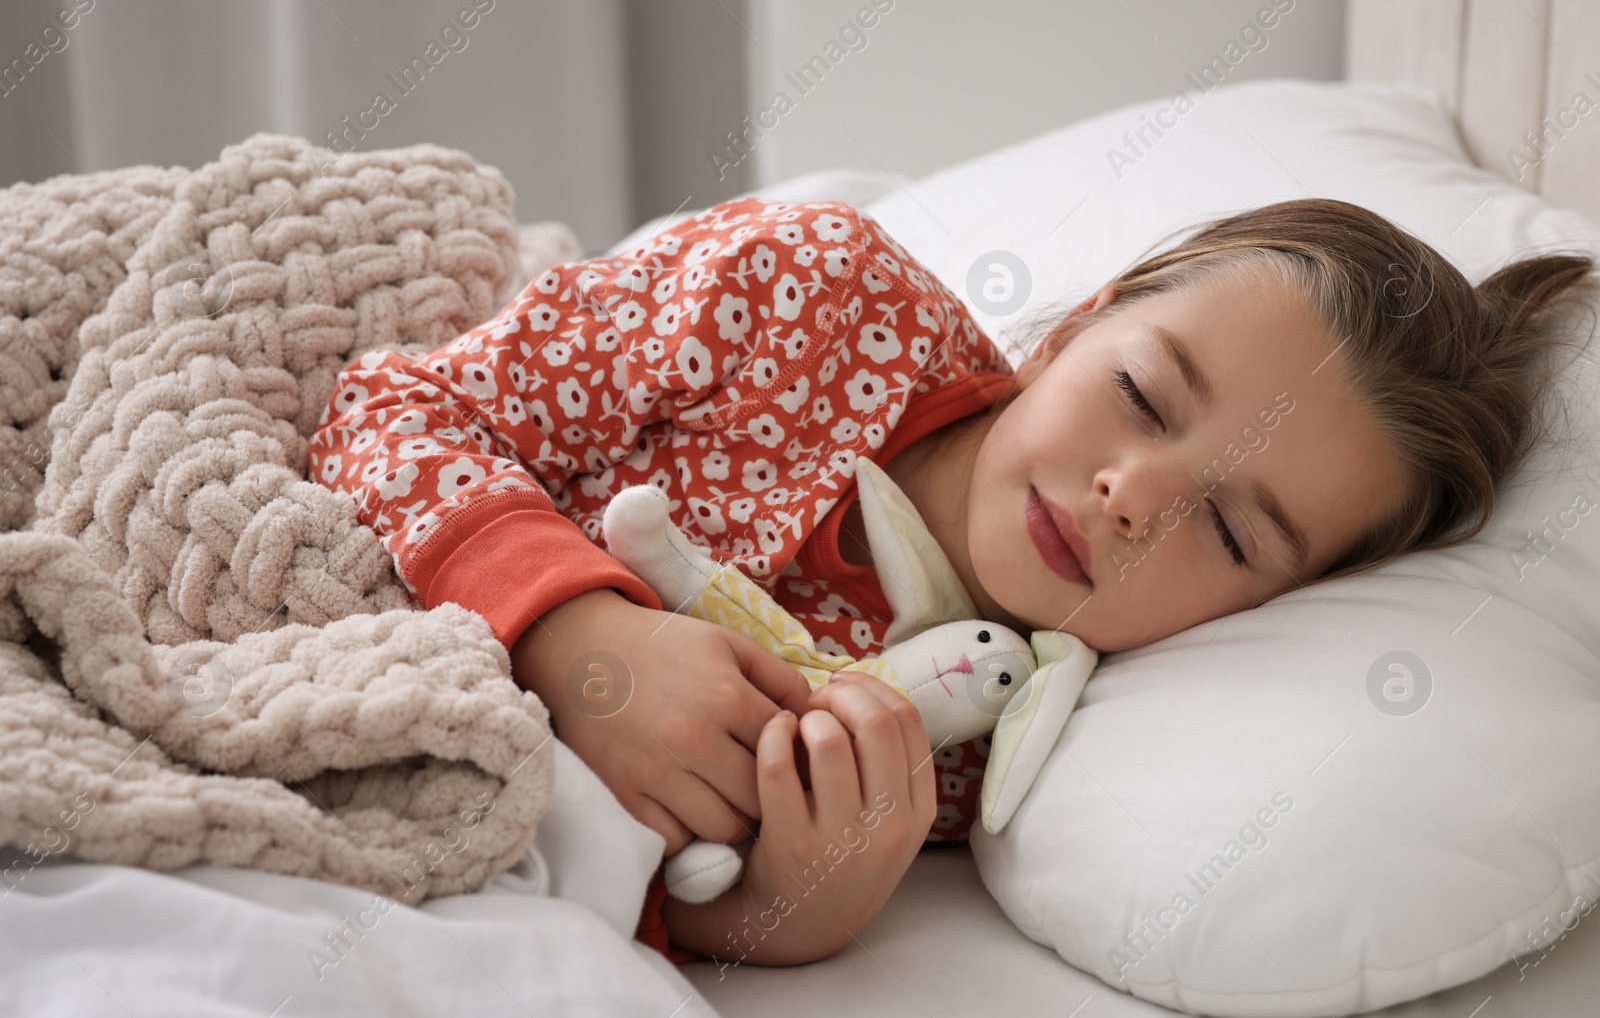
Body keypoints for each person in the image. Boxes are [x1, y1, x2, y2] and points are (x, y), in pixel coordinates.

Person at [306, 194, 1595, 966]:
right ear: (1079, 321)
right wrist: (579, 636)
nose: (1134, 496)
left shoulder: (1002, 736)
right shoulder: (810, 292)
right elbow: (394, 404)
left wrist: (780, 914)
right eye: (1142, 394)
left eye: (1236, 536)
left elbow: (671, 885)